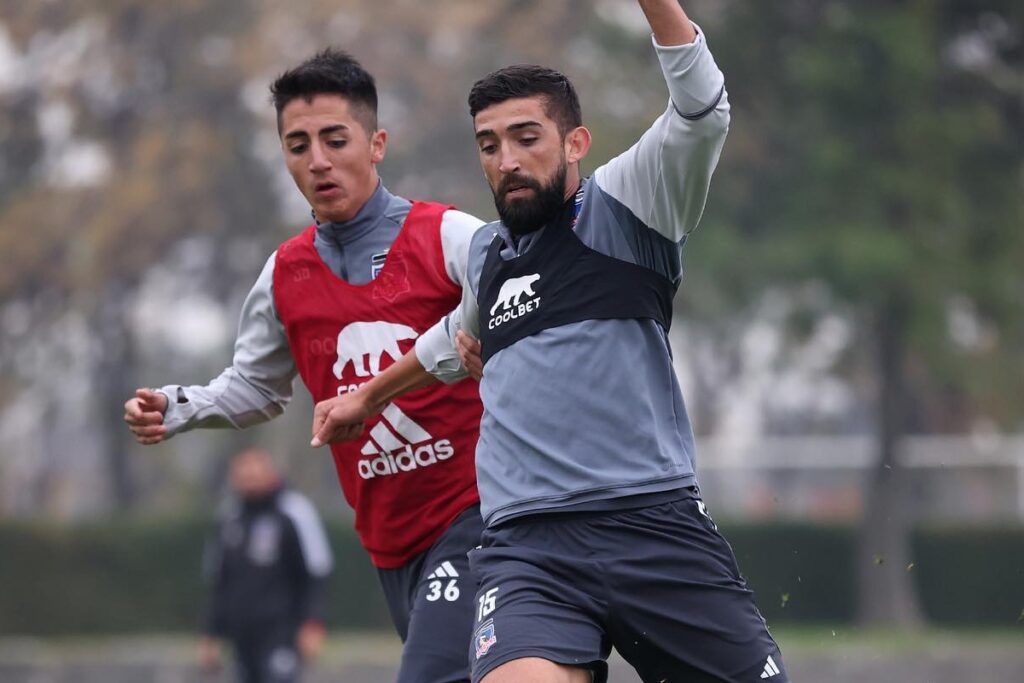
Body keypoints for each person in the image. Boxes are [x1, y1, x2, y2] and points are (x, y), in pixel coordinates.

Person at [309, 1, 790, 682]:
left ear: (574, 142)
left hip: (652, 525)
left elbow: (702, 110)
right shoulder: (487, 255)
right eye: (488, 144)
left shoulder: (631, 204)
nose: (506, 159)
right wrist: (366, 396)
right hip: (528, 548)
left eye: (526, 137)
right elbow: (453, 339)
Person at [123, 50, 487, 682]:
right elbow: (256, 388)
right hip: (390, 540)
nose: (317, 160)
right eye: (298, 145)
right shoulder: (283, 274)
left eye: (334, 139)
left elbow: (519, 309)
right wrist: (177, 406)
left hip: (480, 513)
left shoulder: (450, 236)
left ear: (376, 144)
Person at [200, 448, 333, 683]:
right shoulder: (229, 517)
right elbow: (219, 580)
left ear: (270, 473)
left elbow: (316, 571)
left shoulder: (295, 511)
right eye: (243, 475)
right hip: (241, 635)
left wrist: (312, 623)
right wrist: (211, 633)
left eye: (254, 473)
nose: (248, 479)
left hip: (282, 631)